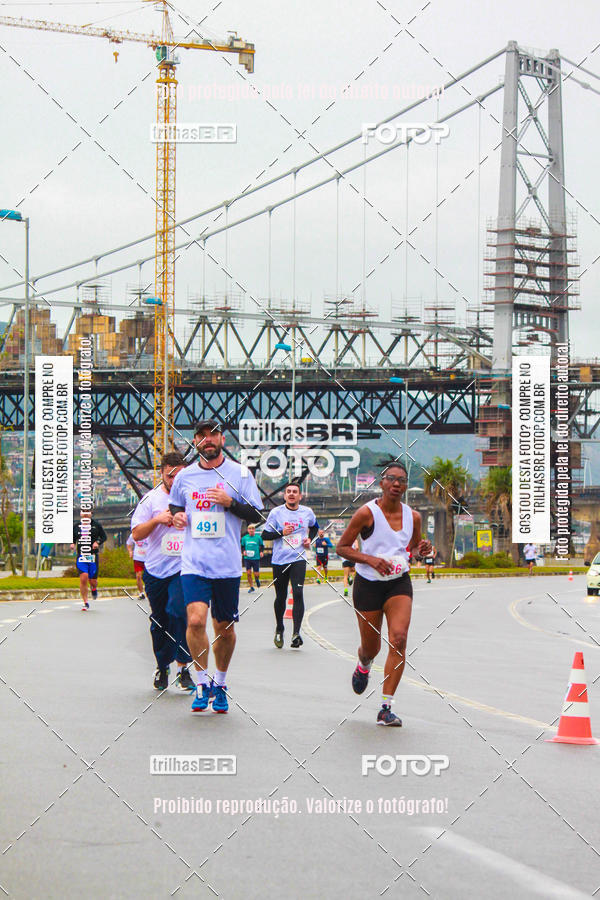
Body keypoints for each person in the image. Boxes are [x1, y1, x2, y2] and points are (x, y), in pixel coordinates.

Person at [169, 420, 263, 714]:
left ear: (222, 440)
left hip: (227, 565)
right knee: (196, 621)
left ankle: (219, 684)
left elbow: (256, 514)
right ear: (195, 441)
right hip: (194, 563)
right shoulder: (185, 476)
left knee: (224, 628)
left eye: (213, 435)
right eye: (201, 436)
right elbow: (175, 505)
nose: (207, 440)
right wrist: (178, 516)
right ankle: (201, 683)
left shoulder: (240, 473)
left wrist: (230, 502)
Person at [336, 462, 431, 727]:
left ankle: (386, 708)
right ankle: (364, 664)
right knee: (371, 648)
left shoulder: (413, 517)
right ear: (382, 483)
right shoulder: (366, 514)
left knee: (399, 639)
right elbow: (342, 548)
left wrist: (421, 549)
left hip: (398, 583)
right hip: (368, 584)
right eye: (391, 478)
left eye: (402, 480)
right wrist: (371, 559)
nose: (397, 484)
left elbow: (413, 548)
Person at [131, 452, 194, 692]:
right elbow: (137, 533)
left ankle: (184, 668)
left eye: (179, 476)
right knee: (160, 620)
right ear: (162, 474)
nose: (174, 480)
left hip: (184, 568)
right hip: (156, 569)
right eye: (170, 476)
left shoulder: (192, 498)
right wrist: (157, 520)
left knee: (179, 613)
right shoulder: (151, 500)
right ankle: (162, 666)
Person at [261, 483, 319, 650]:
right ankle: (280, 628)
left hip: (298, 558)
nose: (292, 494)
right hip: (280, 560)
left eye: (295, 492)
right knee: (281, 596)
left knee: (298, 593)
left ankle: (296, 634)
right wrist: (281, 533)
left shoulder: (307, 512)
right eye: (289, 492)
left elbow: (315, 527)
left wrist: (310, 539)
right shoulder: (276, 513)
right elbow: (265, 534)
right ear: (285, 496)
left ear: (300, 496)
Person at [71, 516, 107, 611]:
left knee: (92, 581)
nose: (85, 514)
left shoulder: (96, 525)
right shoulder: (77, 526)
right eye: (83, 511)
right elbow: (73, 537)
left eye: (87, 512)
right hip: (81, 556)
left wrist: (97, 542)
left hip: (92, 557)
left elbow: (104, 537)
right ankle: (85, 602)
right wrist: (73, 543)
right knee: (83, 578)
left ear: (91, 513)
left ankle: (94, 588)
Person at [241, 523, 264, 592]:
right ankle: (251, 587)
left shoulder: (258, 538)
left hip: (256, 558)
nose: (251, 530)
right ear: (248, 530)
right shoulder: (245, 538)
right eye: (250, 529)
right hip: (247, 558)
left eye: (252, 529)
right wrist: (243, 551)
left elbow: (262, 546)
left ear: (254, 530)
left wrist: (261, 552)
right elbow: (242, 546)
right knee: (248, 573)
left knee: (256, 574)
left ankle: (257, 579)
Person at [126, 533, 148, 601]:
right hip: (137, 558)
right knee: (138, 576)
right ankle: (141, 593)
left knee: (148, 577)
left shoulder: (149, 533)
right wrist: (130, 551)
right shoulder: (134, 534)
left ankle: (149, 591)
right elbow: (128, 544)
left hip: (148, 558)